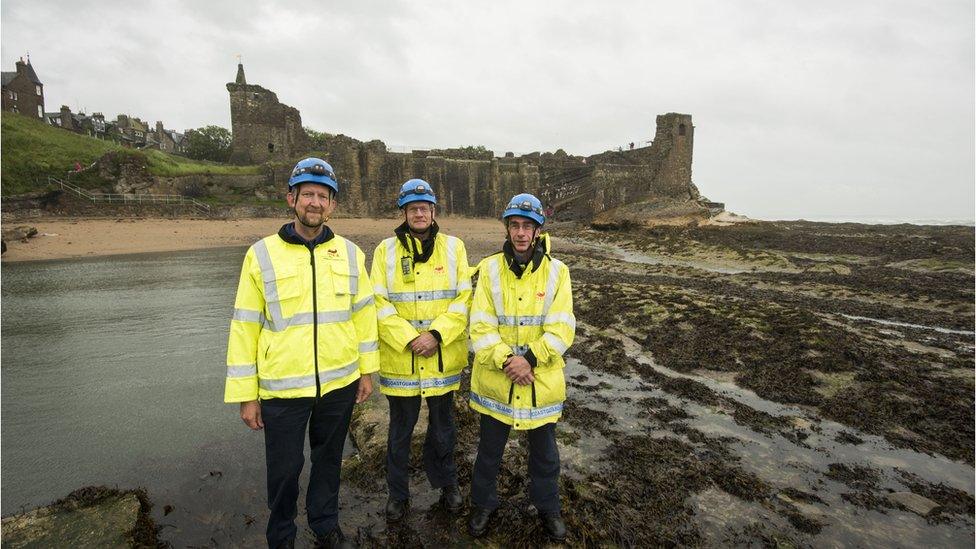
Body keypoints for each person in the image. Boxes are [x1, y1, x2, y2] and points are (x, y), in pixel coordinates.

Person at [224, 157, 379, 549]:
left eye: (323, 196)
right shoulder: (260, 255)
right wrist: (246, 394)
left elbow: (364, 316)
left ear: (333, 205)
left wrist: (366, 371)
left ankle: (325, 523)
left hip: (339, 384)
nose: (315, 202)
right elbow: (245, 326)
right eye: (307, 194)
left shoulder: (350, 253)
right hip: (281, 391)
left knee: (328, 461)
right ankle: (281, 535)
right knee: (284, 470)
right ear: (290, 199)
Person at [466, 193, 575, 542]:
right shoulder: (488, 270)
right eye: (514, 225)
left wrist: (527, 360)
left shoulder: (559, 273)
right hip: (497, 381)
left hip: (538, 380)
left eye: (528, 226)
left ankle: (548, 508)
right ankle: (483, 504)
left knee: (545, 455)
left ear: (539, 230)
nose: (521, 233)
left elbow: (562, 329)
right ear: (507, 228)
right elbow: (480, 327)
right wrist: (506, 361)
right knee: (488, 453)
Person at [369, 179, 471, 522]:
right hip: (402, 361)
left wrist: (437, 335)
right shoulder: (385, 251)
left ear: (433, 211)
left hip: (441, 358)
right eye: (412, 208)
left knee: (444, 430)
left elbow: (463, 298)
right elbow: (378, 302)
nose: (419, 213)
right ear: (403, 212)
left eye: (424, 208)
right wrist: (410, 338)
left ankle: (447, 485)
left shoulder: (455, 248)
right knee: (399, 432)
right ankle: (397, 494)